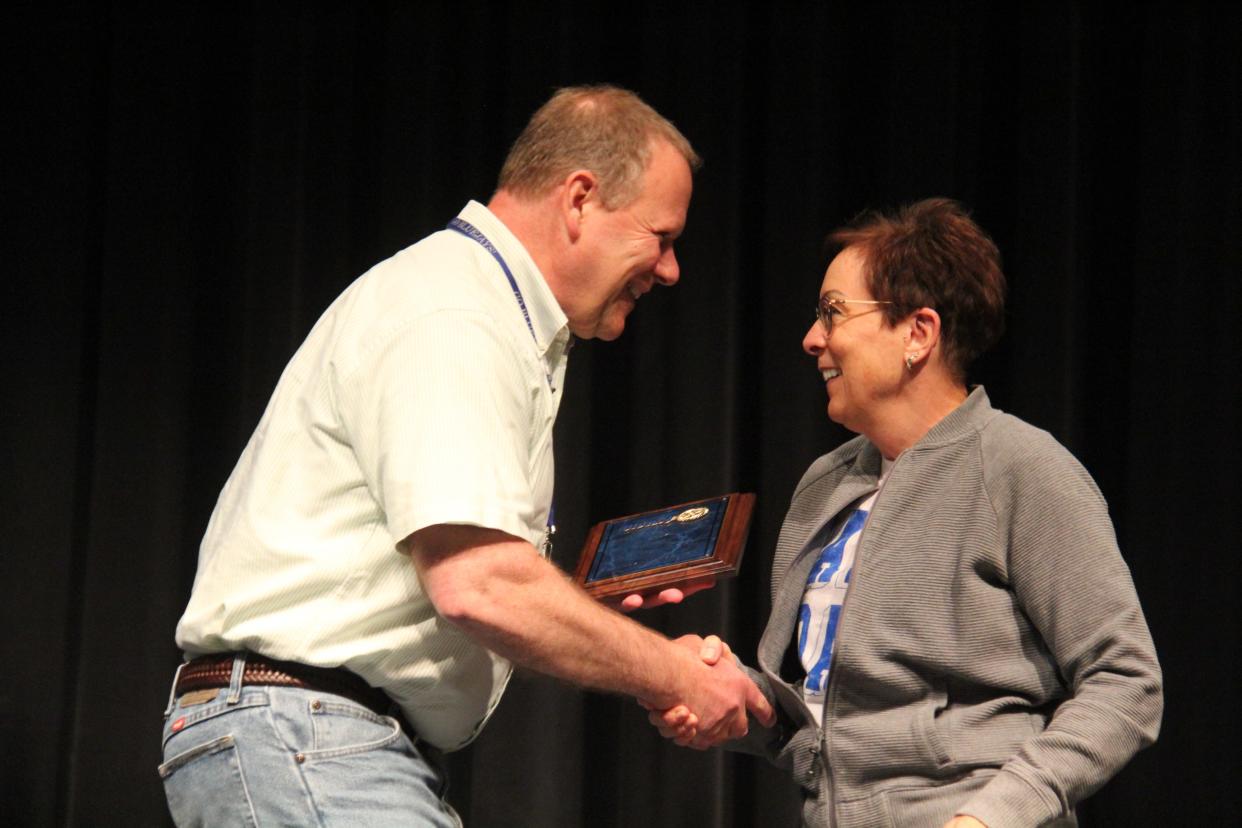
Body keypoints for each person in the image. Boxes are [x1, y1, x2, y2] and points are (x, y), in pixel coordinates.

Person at [159, 85, 774, 827]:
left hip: (319, 739)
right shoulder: (456, 313)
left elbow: (470, 575)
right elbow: (479, 585)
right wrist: (671, 673)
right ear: (579, 199)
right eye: (662, 236)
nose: (671, 269)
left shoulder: (482, 311)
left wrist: (572, 610)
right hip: (304, 737)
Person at [651, 198, 1162, 826]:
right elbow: (829, 727)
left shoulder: (1021, 469)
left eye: (833, 313)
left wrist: (988, 819)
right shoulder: (826, 484)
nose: (813, 338)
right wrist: (740, 700)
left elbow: (1125, 682)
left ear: (917, 333)